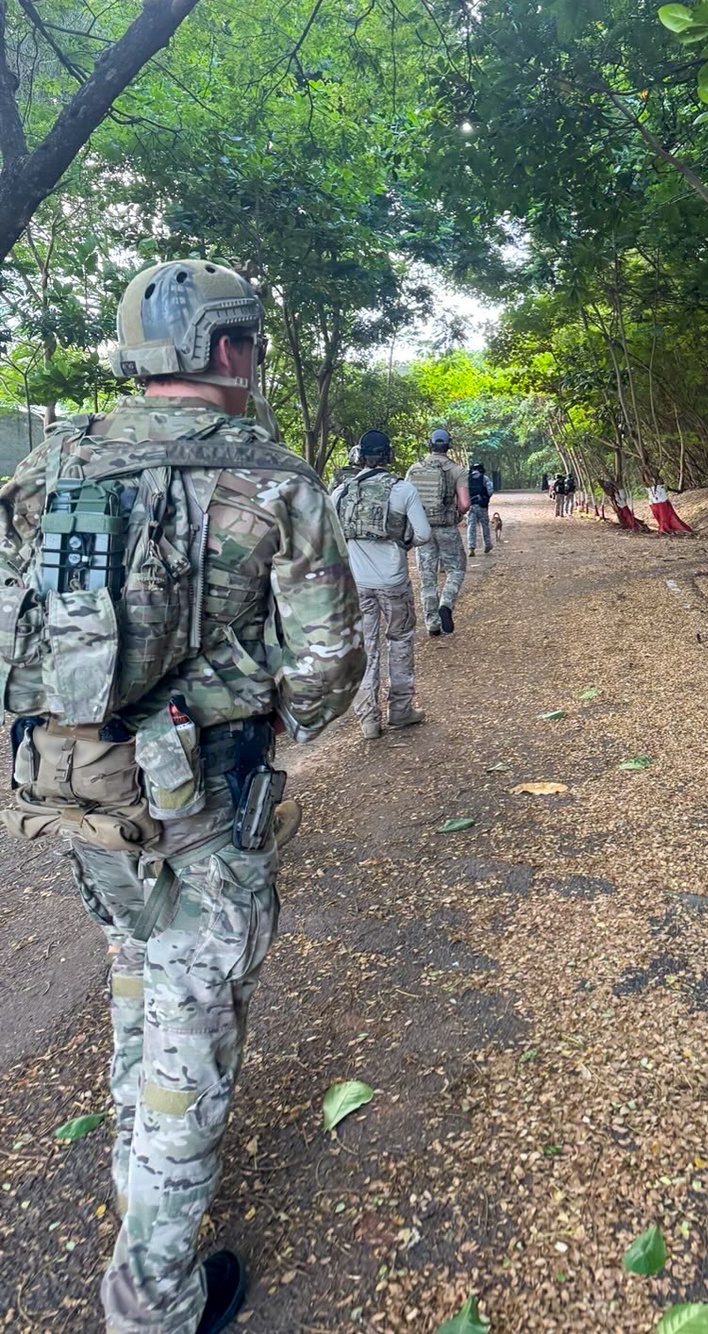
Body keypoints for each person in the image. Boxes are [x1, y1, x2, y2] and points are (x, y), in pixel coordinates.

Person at [0, 259, 365, 1334]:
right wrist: (261, 726)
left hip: (78, 787)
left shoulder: (50, 465)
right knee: (193, 1036)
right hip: (206, 798)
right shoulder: (275, 480)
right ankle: (151, 1300)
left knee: (135, 976)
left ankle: (136, 1182)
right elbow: (330, 663)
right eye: (247, 338)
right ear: (226, 349)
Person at [331, 429, 431, 739]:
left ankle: (369, 720)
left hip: (358, 584)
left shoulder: (341, 493)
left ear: (359, 456)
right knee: (399, 641)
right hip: (394, 581)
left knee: (366, 648)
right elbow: (424, 534)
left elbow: (331, 538)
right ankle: (400, 710)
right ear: (388, 456)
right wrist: (402, 542)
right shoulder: (403, 490)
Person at [405, 428, 469, 636]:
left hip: (422, 529)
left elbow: (406, 500)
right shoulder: (456, 470)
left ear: (429, 444)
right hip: (447, 527)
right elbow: (465, 504)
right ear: (448, 446)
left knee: (427, 576)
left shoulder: (414, 469)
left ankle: (432, 622)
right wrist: (457, 513)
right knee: (456, 569)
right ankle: (446, 604)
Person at [466, 459, 494, 555]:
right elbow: (490, 491)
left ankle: (471, 547)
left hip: (470, 506)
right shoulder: (485, 478)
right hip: (482, 505)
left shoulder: (467, 478)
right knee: (485, 525)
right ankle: (487, 544)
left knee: (471, 526)